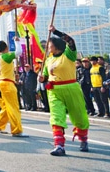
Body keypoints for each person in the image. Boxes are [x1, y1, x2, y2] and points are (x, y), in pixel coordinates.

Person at [38, 25, 90, 155]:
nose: (48, 47)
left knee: (79, 116)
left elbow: (71, 41)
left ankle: (83, 139)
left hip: (71, 88)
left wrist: (55, 32)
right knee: (56, 117)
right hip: (54, 91)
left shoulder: (69, 54)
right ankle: (59, 146)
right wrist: (42, 78)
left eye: (50, 45)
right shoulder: (48, 60)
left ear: (57, 46)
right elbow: (45, 77)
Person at [0, 37, 29, 137]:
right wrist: (17, 41)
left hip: (3, 83)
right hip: (8, 84)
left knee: (6, 106)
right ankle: (16, 130)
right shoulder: (6, 56)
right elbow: (19, 52)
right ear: (6, 47)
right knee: (13, 107)